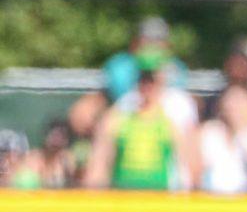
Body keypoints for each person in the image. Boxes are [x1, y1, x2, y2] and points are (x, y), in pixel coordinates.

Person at [84, 55, 199, 191]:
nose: (147, 85)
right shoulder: (118, 117)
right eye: (143, 79)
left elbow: (189, 166)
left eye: (152, 80)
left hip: (160, 200)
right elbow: (99, 164)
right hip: (122, 200)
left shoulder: (172, 120)